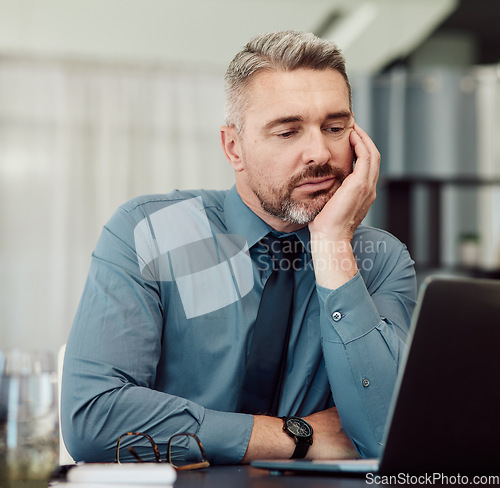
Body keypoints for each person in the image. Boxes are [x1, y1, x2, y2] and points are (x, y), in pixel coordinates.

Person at [61, 30, 416, 465]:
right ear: (234, 147)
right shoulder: (148, 232)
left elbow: (386, 437)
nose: (320, 152)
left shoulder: (382, 260)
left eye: (335, 127)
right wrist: (297, 437)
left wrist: (331, 243)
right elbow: (93, 420)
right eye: (288, 132)